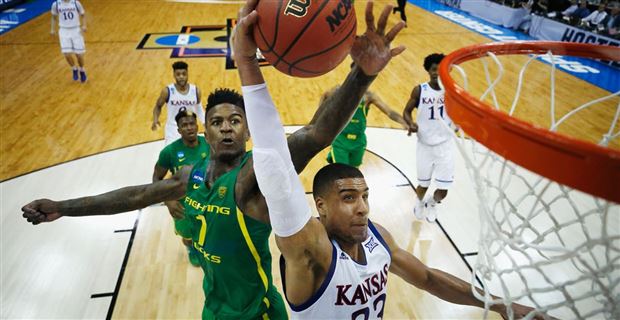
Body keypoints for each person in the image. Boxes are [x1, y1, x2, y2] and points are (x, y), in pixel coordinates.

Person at [21, 0, 406, 318]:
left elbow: (317, 133)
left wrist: (361, 76)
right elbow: (133, 196)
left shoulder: (254, 175)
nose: (226, 128)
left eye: (236, 121)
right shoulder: (188, 175)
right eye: (217, 121)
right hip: (214, 310)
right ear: (205, 132)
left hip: (260, 313)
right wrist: (62, 207)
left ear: (248, 131)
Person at [242, 21, 543, 320]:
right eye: (348, 198)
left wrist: (502, 304)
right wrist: (245, 59)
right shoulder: (310, 249)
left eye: (364, 196)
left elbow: (428, 278)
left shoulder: (376, 237)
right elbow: (273, 166)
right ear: (319, 205)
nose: (362, 208)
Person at [153, 107, 209, 267]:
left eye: (192, 124)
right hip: (182, 204)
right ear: (178, 129)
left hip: (207, 198)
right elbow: (156, 178)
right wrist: (168, 201)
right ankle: (192, 249)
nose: (189, 127)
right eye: (185, 125)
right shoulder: (169, 152)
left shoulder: (209, 144)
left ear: (197, 126)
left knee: (211, 230)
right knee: (188, 234)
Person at [403, 53, 456, 223]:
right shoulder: (420, 90)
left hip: (445, 145)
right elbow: (406, 112)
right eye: (433, 69)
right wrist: (410, 123)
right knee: (423, 185)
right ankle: (419, 202)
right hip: (424, 144)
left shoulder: (452, 91)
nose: (437, 73)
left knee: (444, 189)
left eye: (440, 69)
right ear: (428, 70)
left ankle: (432, 203)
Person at [322, 71, 410, 168]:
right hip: (341, 140)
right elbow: (325, 96)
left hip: (358, 141)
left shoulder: (368, 96)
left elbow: (389, 112)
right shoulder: (338, 91)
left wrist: (403, 122)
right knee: (341, 172)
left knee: (353, 171)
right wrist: (322, 119)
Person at [151, 61, 206, 145]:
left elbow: (199, 109)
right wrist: (155, 120)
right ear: (174, 75)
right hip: (172, 130)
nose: (181, 77)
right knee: (172, 156)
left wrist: (205, 123)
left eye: (184, 74)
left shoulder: (195, 90)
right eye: (178, 74)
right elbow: (158, 106)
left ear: (187, 74)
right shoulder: (167, 91)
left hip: (190, 128)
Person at [50, 0, 87, 83]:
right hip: (63, 31)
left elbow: (83, 15)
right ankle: (74, 68)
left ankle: (82, 70)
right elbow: (53, 17)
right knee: (66, 54)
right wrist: (52, 29)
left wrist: (84, 25)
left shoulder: (75, 3)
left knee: (79, 55)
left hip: (76, 30)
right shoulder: (56, 4)